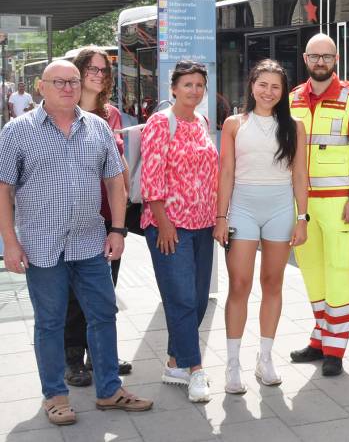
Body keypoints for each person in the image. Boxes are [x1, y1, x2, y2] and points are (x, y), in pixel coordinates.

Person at [0, 61, 153, 427]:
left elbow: (116, 179)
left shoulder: (97, 127)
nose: (68, 88)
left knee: (103, 315)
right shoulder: (17, 132)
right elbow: (4, 190)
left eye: (73, 81)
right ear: (41, 87)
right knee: (50, 322)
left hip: (90, 242)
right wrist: (10, 242)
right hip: (41, 246)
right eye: (59, 82)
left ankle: (109, 390)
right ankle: (55, 396)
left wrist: (117, 229)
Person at [214, 59, 308, 393]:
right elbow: (225, 172)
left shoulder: (294, 126)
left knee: (273, 283)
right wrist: (221, 216)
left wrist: (302, 218)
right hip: (242, 208)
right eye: (262, 84)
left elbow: (299, 174)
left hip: (281, 209)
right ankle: (232, 363)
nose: (268, 92)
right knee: (239, 285)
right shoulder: (234, 124)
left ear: (283, 92)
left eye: (275, 86)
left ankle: (265, 358)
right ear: (252, 84)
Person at [288, 33, 349, 377]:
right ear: (306, 59)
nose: (321, 62)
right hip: (301, 205)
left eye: (327, 57)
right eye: (314, 56)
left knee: (338, 272)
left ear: (336, 60)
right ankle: (320, 338)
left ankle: (336, 349)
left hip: (338, 204)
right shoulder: (291, 98)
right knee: (312, 273)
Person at [140, 60, 218, 403]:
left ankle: (174, 361)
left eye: (200, 85)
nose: (195, 91)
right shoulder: (160, 122)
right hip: (169, 226)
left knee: (199, 299)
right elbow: (151, 177)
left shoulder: (202, 121)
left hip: (203, 224)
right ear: (173, 88)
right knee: (181, 299)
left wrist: (218, 216)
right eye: (188, 85)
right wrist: (164, 221)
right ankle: (195, 369)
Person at [63, 46, 134, 387]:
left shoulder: (112, 115)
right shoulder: (61, 110)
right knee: (75, 294)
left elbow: (117, 163)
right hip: (72, 215)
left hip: (109, 214)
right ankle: (73, 358)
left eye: (103, 70)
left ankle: (100, 354)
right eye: (91, 68)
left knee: (106, 289)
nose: (98, 74)